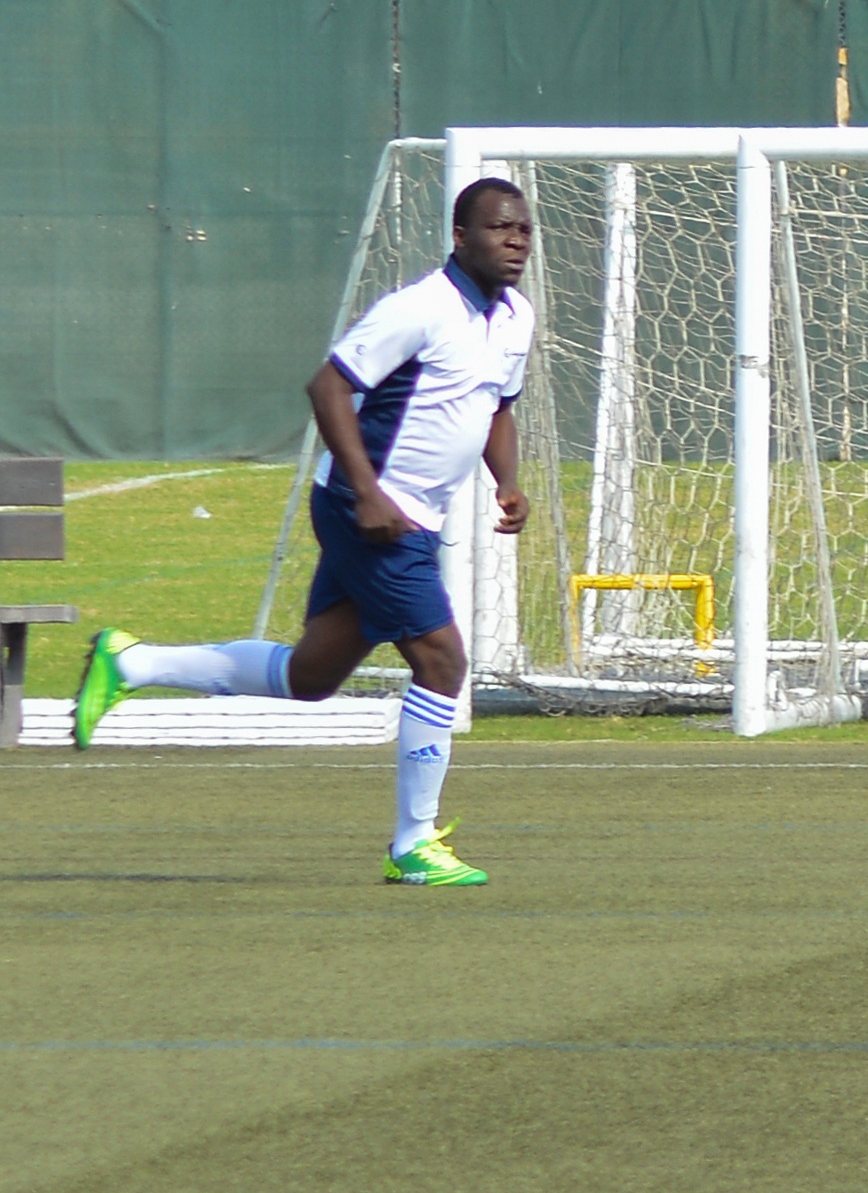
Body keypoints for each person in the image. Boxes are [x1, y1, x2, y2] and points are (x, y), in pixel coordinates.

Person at [77, 174, 538, 885]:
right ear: (459, 236)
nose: (515, 241)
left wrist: (506, 482)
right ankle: (413, 844)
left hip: (413, 519)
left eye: (524, 230)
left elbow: (496, 407)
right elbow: (328, 386)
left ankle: (131, 662)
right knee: (443, 662)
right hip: (373, 516)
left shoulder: (515, 318)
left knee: (311, 676)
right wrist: (368, 493)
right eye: (499, 228)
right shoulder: (420, 309)